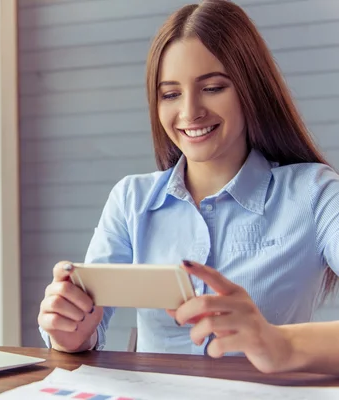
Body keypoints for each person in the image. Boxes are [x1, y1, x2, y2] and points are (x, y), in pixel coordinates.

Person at [37, 0, 339, 375]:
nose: (190, 112)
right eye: (170, 94)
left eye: (212, 87)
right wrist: (70, 331)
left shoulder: (315, 194)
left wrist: (279, 343)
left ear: (251, 89)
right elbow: (84, 329)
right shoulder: (131, 201)